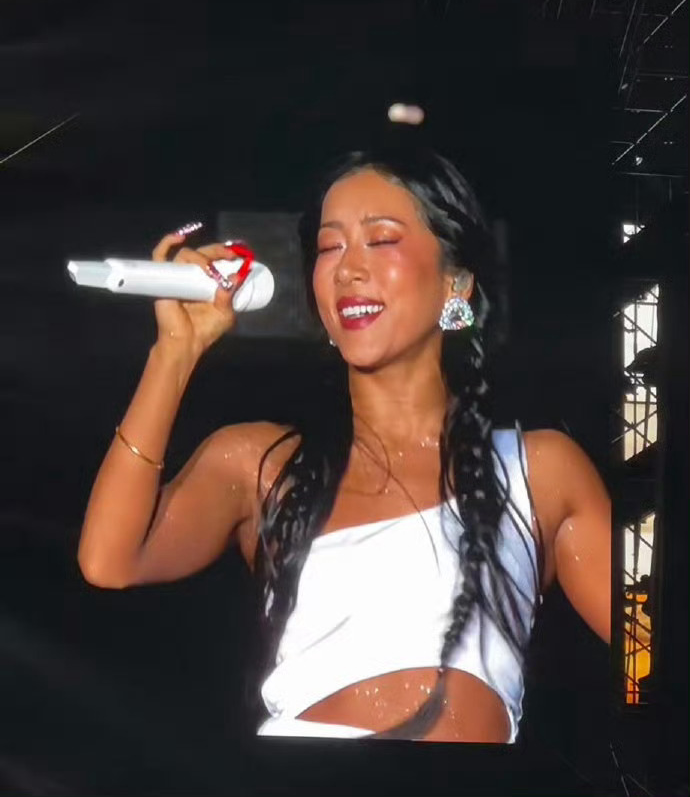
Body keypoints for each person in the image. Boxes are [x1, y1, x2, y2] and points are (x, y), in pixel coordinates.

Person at [77, 148, 611, 743]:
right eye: (330, 248)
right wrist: (175, 353)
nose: (348, 268)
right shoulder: (263, 465)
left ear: (456, 282)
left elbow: (649, 644)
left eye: (381, 240)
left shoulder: (539, 470)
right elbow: (110, 561)